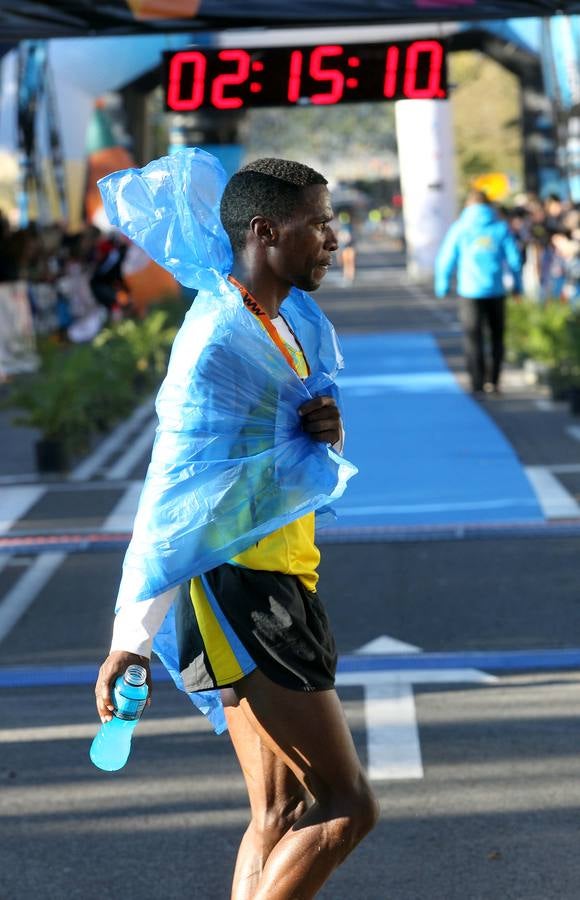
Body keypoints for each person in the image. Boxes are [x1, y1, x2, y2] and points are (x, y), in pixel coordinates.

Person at [94, 152, 378, 900]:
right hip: (242, 592)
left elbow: (253, 468)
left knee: (280, 812)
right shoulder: (219, 342)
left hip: (274, 579)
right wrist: (129, 641)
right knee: (348, 808)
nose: (333, 240)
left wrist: (320, 434)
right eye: (318, 224)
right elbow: (172, 497)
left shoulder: (271, 324)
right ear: (264, 230)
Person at [434, 188, 523, 395]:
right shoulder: (500, 228)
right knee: (497, 337)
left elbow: (446, 258)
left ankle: (477, 383)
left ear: (468, 205)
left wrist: (443, 284)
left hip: (469, 290)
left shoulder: (460, 228)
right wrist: (518, 285)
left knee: (473, 338)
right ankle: (494, 381)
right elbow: (515, 260)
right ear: (489, 206)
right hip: (496, 290)